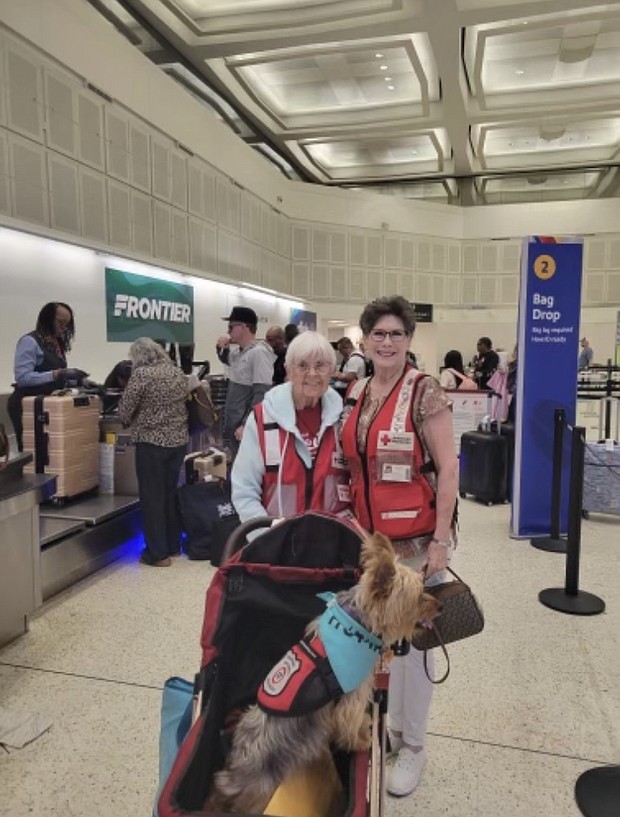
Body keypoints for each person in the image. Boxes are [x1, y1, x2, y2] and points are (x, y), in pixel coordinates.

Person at [340, 295, 458, 798]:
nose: (386, 342)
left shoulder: (425, 391)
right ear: (366, 339)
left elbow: (449, 469)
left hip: (418, 540)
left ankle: (413, 746)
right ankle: (389, 728)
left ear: (409, 340)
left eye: (396, 334)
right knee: (381, 642)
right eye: (378, 333)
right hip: (374, 545)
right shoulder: (358, 389)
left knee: (415, 649)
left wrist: (439, 541)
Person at [232, 331, 350, 521]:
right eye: (302, 365)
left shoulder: (343, 417)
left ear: (332, 371)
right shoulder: (263, 418)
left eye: (320, 366)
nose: (312, 374)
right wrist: (267, 538)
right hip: (277, 541)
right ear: (288, 370)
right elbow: (244, 490)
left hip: (331, 541)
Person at [118, 337, 189, 567]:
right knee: (169, 494)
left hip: (151, 444)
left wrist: (129, 417)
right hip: (177, 442)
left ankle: (157, 554)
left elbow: (125, 412)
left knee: (152, 498)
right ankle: (172, 546)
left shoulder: (141, 375)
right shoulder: (176, 373)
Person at [7, 302, 88, 451]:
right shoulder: (29, 341)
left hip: (48, 404)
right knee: (34, 452)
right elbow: (23, 378)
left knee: (53, 453)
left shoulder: (56, 344)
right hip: (27, 405)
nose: (63, 328)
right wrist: (55, 374)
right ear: (47, 319)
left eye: (67, 324)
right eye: (60, 322)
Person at [216, 306, 275, 456]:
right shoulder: (238, 352)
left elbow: (261, 394)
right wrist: (220, 348)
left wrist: (246, 424)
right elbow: (227, 360)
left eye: (231, 326)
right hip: (233, 426)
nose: (228, 331)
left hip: (244, 428)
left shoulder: (259, 353)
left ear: (244, 327)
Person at [332, 337, 367, 401]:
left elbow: (349, 378)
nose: (340, 353)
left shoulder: (355, 358)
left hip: (353, 389)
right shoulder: (354, 357)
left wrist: (336, 375)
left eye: (340, 350)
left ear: (346, 347)